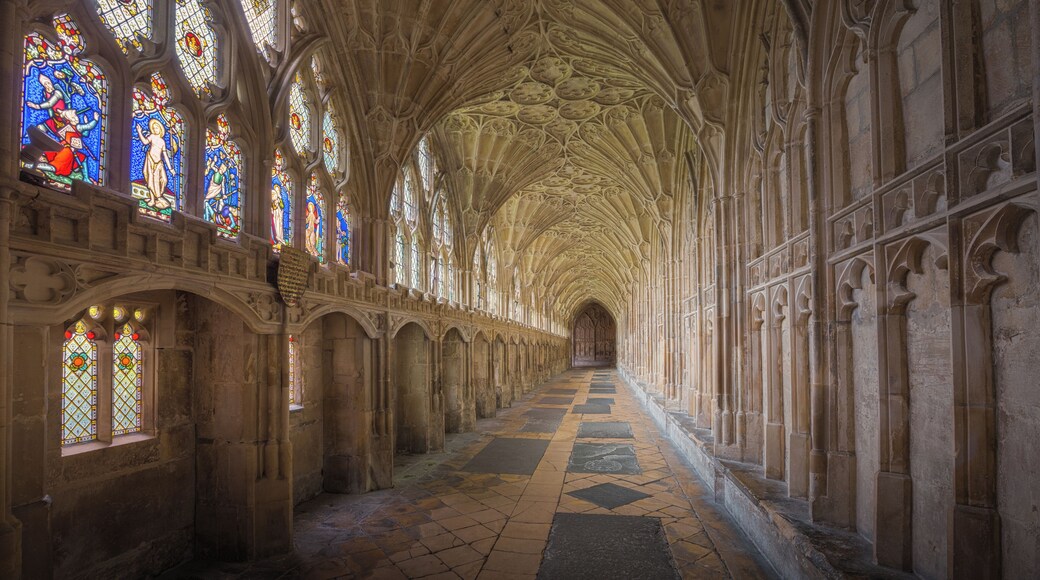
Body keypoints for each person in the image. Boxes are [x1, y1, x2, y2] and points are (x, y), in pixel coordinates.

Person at [135, 118, 173, 209]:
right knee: (150, 179)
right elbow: (145, 142)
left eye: (157, 128)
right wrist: (139, 132)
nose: (155, 129)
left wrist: (171, 169)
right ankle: (152, 199)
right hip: (150, 160)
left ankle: (157, 197)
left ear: (160, 129)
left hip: (159, 163)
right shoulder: (152, 136)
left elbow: (165, 155)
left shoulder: (162, 142)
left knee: (163, 180)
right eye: (154, 128)